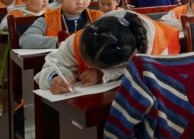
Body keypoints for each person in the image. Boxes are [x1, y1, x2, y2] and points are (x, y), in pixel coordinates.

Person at [35, 10, 181, 93]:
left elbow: (149, 77)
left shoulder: (155, 46)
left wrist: (102, 74)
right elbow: (52, 65)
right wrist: (54, 78)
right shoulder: (82, 39)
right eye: (84, 59)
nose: (87, 66)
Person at [20, 0, 103, 49]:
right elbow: (25, 40)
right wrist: (59, 42)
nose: (80, 2)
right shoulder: (49, 18)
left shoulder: (98, 17)